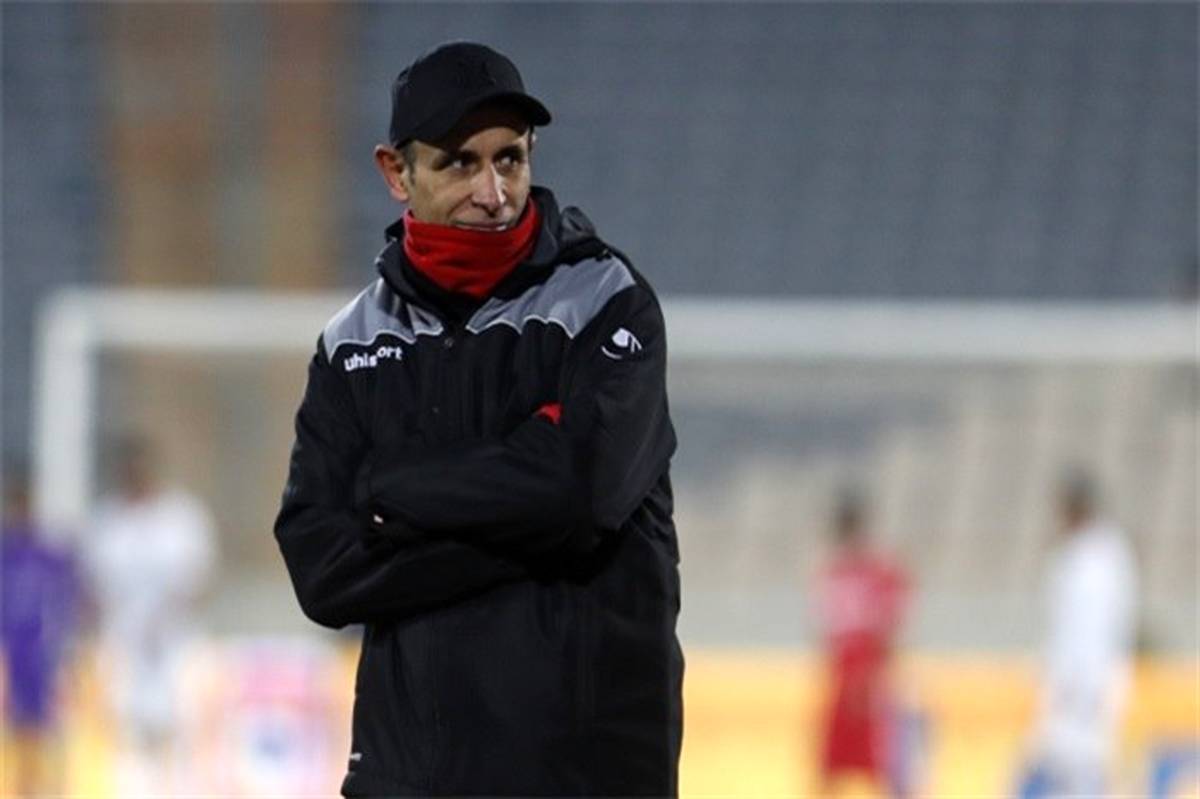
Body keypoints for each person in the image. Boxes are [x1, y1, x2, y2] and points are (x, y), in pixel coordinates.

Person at [274, 41, 682, 797]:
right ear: (396, 173)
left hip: (583, 776)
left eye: (509, 159)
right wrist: (537, 523)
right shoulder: (351, 345)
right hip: (408, 778)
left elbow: (582, 494)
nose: (493, 193)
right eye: (460, 163)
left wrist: (397, 493)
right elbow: (322, 569)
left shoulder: (607, 301)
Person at [83, 435, 217, 795]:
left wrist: (166, 612)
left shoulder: (181, 518)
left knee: (183, 736)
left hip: (176, 645)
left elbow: (201, 583)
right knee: (127, 741)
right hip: (124, 647)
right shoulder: (106, 523)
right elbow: (91, 592)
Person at [1019, 470, 1137, 799]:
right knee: (1062, 766)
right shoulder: (1079, 555)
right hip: (1071, 681)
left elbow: (1096, 628)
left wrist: (1081, 681)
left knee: (1084, 764)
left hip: (1087, 684)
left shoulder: (1101, 558)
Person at [813, 487, 910, 799]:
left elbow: (890, 631)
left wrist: (876, 678)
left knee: (882, 766)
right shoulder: (834, 572)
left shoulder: (878, 572)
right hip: (844, 683)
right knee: (832, 768)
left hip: (869, 684)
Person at [0, 462, 79, 797]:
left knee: (49, 725)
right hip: (12, 654)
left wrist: (65, 644)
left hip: (43, 654)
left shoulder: (51, 554)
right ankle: (20, 787)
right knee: (15, 726)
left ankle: (51, 788)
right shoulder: (6, 555)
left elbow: (71, 598)